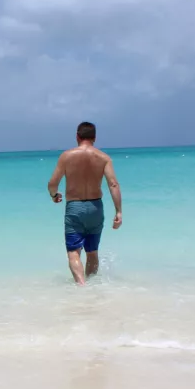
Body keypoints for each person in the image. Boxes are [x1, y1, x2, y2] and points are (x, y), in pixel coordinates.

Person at [47, 122, 123, 285]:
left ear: (77, 136)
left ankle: (81, 286)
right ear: (94, 138)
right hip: (96, 208)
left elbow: (52, 183)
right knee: (92, 252)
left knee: (73, 252)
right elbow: (113, 184)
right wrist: (118, 211)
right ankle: (91, 287)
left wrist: (54, 195)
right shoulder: (104, 158)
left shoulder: (66, 156)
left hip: (75, 208)